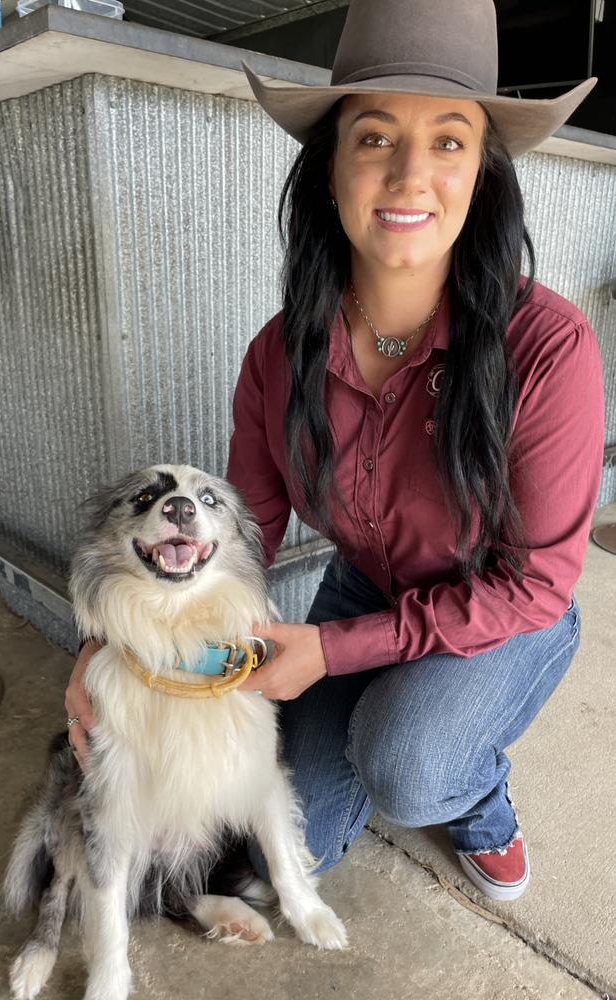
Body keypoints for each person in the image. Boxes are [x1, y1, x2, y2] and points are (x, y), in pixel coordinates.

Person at [67, 0, 605, 903]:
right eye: (374, 138)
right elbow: (239, 532)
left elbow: (538, 583)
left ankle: (478, 803)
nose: (409, 175)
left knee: (406, 765)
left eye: (449, 142)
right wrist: (109, 650)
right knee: (278, 850)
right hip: (364, 586)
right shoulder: (277, 354)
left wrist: (332, 648)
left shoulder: (547, 347)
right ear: (329, 168)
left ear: (482, 173)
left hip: (503, 606)